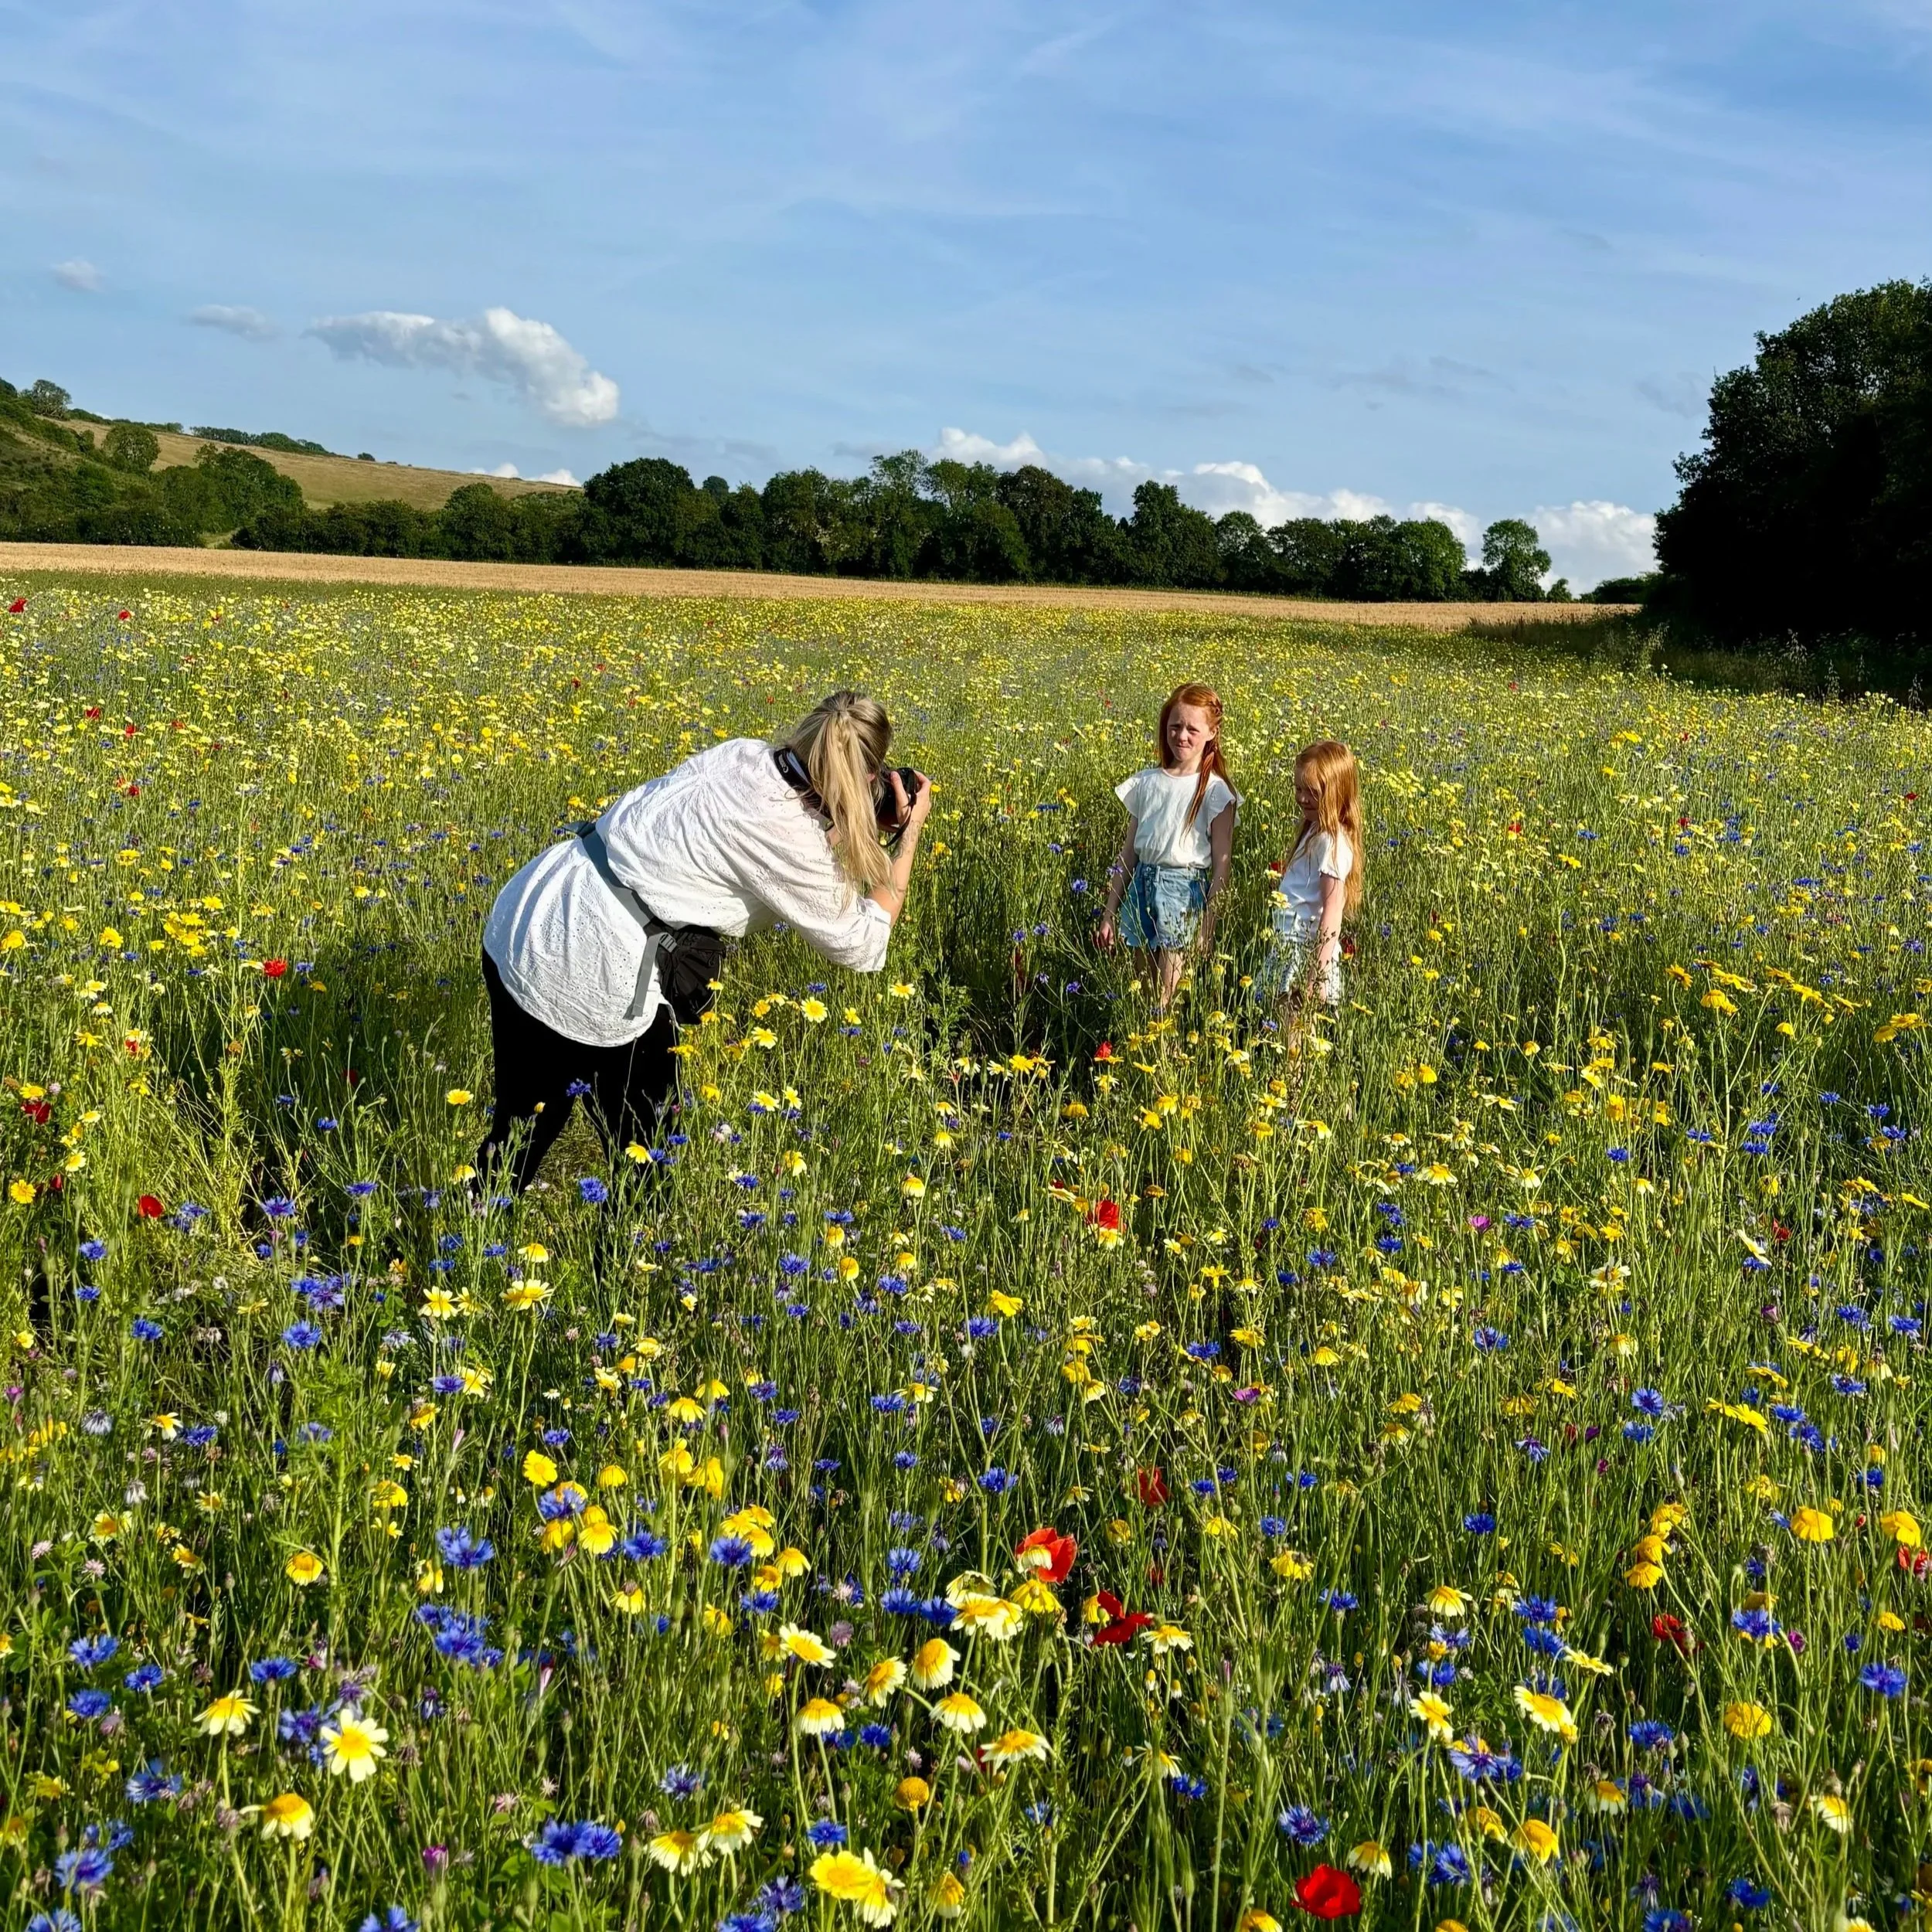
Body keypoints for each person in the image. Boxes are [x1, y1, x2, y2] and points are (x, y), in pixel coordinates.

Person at [475, 691, 930, 1191]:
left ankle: (441, 1241)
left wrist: (849, 818)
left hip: (534, 906)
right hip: (591, 961)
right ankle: (627, 1266)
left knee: (517, 1132)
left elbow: (766, 835)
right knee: (645, 1168)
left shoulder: (743, 754)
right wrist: (907, 839)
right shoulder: (791, 839)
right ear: (869, 776)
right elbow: (864, 943)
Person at [1096, 682, 1238, 1009]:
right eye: (1175, 727)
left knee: (1167, 998)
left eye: (1192, 729)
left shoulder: (1216, 792)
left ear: (1212, 733)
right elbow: (1128, 853)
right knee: (1141, 994)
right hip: (1140, 890)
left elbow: (1222, 865)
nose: (1182, 736)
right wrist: (1109, 912)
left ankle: (1168, 1056)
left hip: (1184, 893)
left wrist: (1208, 924)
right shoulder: (1147, 782)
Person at [1255, 739, 1361, 1014]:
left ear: (1336, 792)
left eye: (1312, 792)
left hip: (1306, 952)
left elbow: (1332, 911)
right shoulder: (1314, 832)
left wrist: (1318, 973)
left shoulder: (1332, 842)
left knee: (1296, 1031)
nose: (1301, 798)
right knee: (1283, 1027)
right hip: (1290, 946)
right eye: (1298, 789)